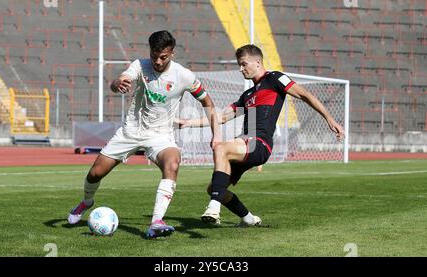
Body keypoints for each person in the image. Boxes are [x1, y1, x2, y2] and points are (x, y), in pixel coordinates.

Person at [67, 30, 220, 238]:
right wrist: (117, 83)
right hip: (130, 132)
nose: (157, 61)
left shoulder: (183, 76)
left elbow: (207, 102)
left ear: (172, 53)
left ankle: (156, 222)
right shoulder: (140, 65)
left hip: (160, 135)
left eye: (163, 57)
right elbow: (118, 81)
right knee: (95, 173)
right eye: (154, 55)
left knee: (173, 162)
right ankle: (86, 202)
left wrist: (216, 134)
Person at [178, 44, 344, 226]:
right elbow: (221, 117)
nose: (241, 69)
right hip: (246, 144)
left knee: (221, 147)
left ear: (257, 62)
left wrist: (329, 118)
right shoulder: (247, 95)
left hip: (259, 143)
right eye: (239, 65)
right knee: (215, 188)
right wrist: (188, 123)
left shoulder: (275, 78)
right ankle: (248, 219)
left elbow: (305, 95)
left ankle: (213, 209)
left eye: (243, 64)